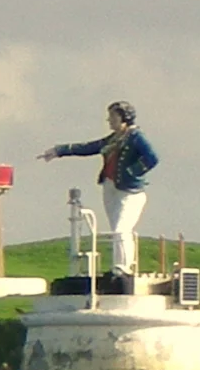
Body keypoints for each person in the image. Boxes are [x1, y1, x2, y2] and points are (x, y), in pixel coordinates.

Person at [39, 101, 158, 277]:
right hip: (110, 187)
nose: (109, 120)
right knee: (117, 229)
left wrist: (131, 172)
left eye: (113, 116)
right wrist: (60, 150)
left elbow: (152, 158)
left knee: (121, 229)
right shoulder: (113, 139)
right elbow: (90, 147)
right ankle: (120, 265)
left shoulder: (135, 137)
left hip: (130, 191)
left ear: (124, 118)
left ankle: (123, 267)